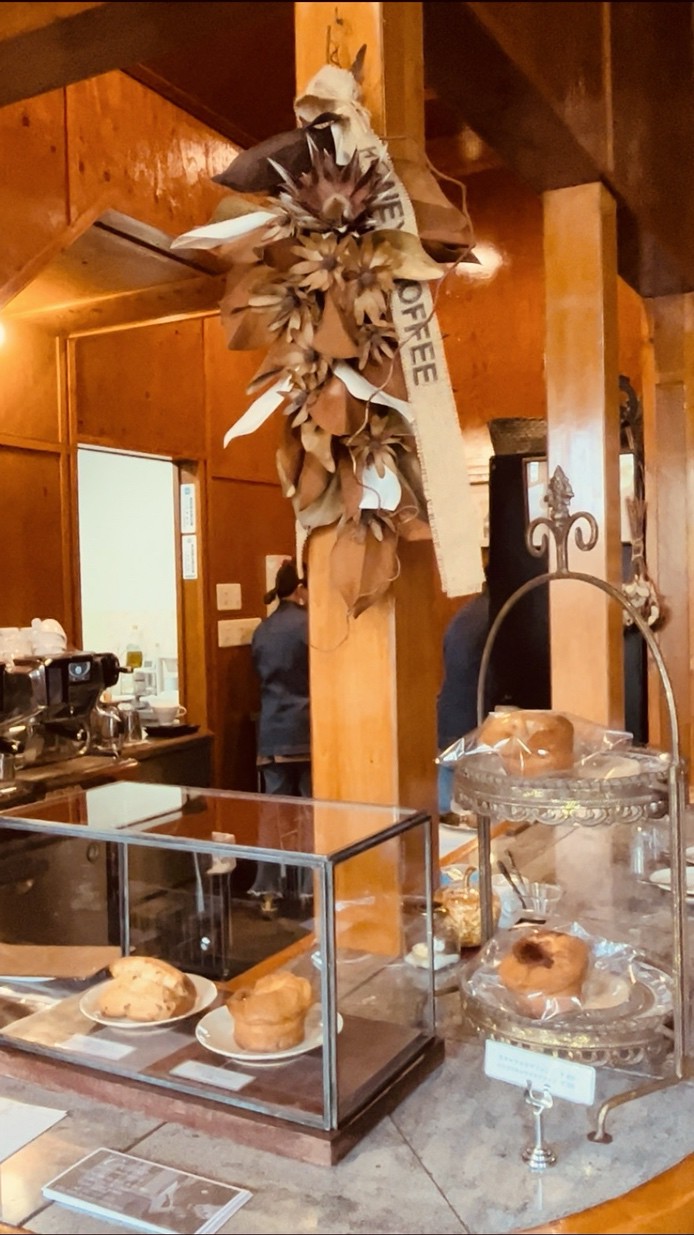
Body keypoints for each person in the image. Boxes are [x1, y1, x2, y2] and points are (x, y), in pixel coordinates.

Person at [249, 558, 311, 902]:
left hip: (272, 732)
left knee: (273, 813)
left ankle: (267, 887)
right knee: (312, 811)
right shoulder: (311, 625)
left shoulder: (262, 630)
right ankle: (310, 888)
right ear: (300, 590)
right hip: (306, 731)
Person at [436, 579, 491, 821]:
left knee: (448, 813)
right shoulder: (495, 616)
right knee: (469, 814)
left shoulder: (468, 614)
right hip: (472, 729)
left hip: (452, 722)